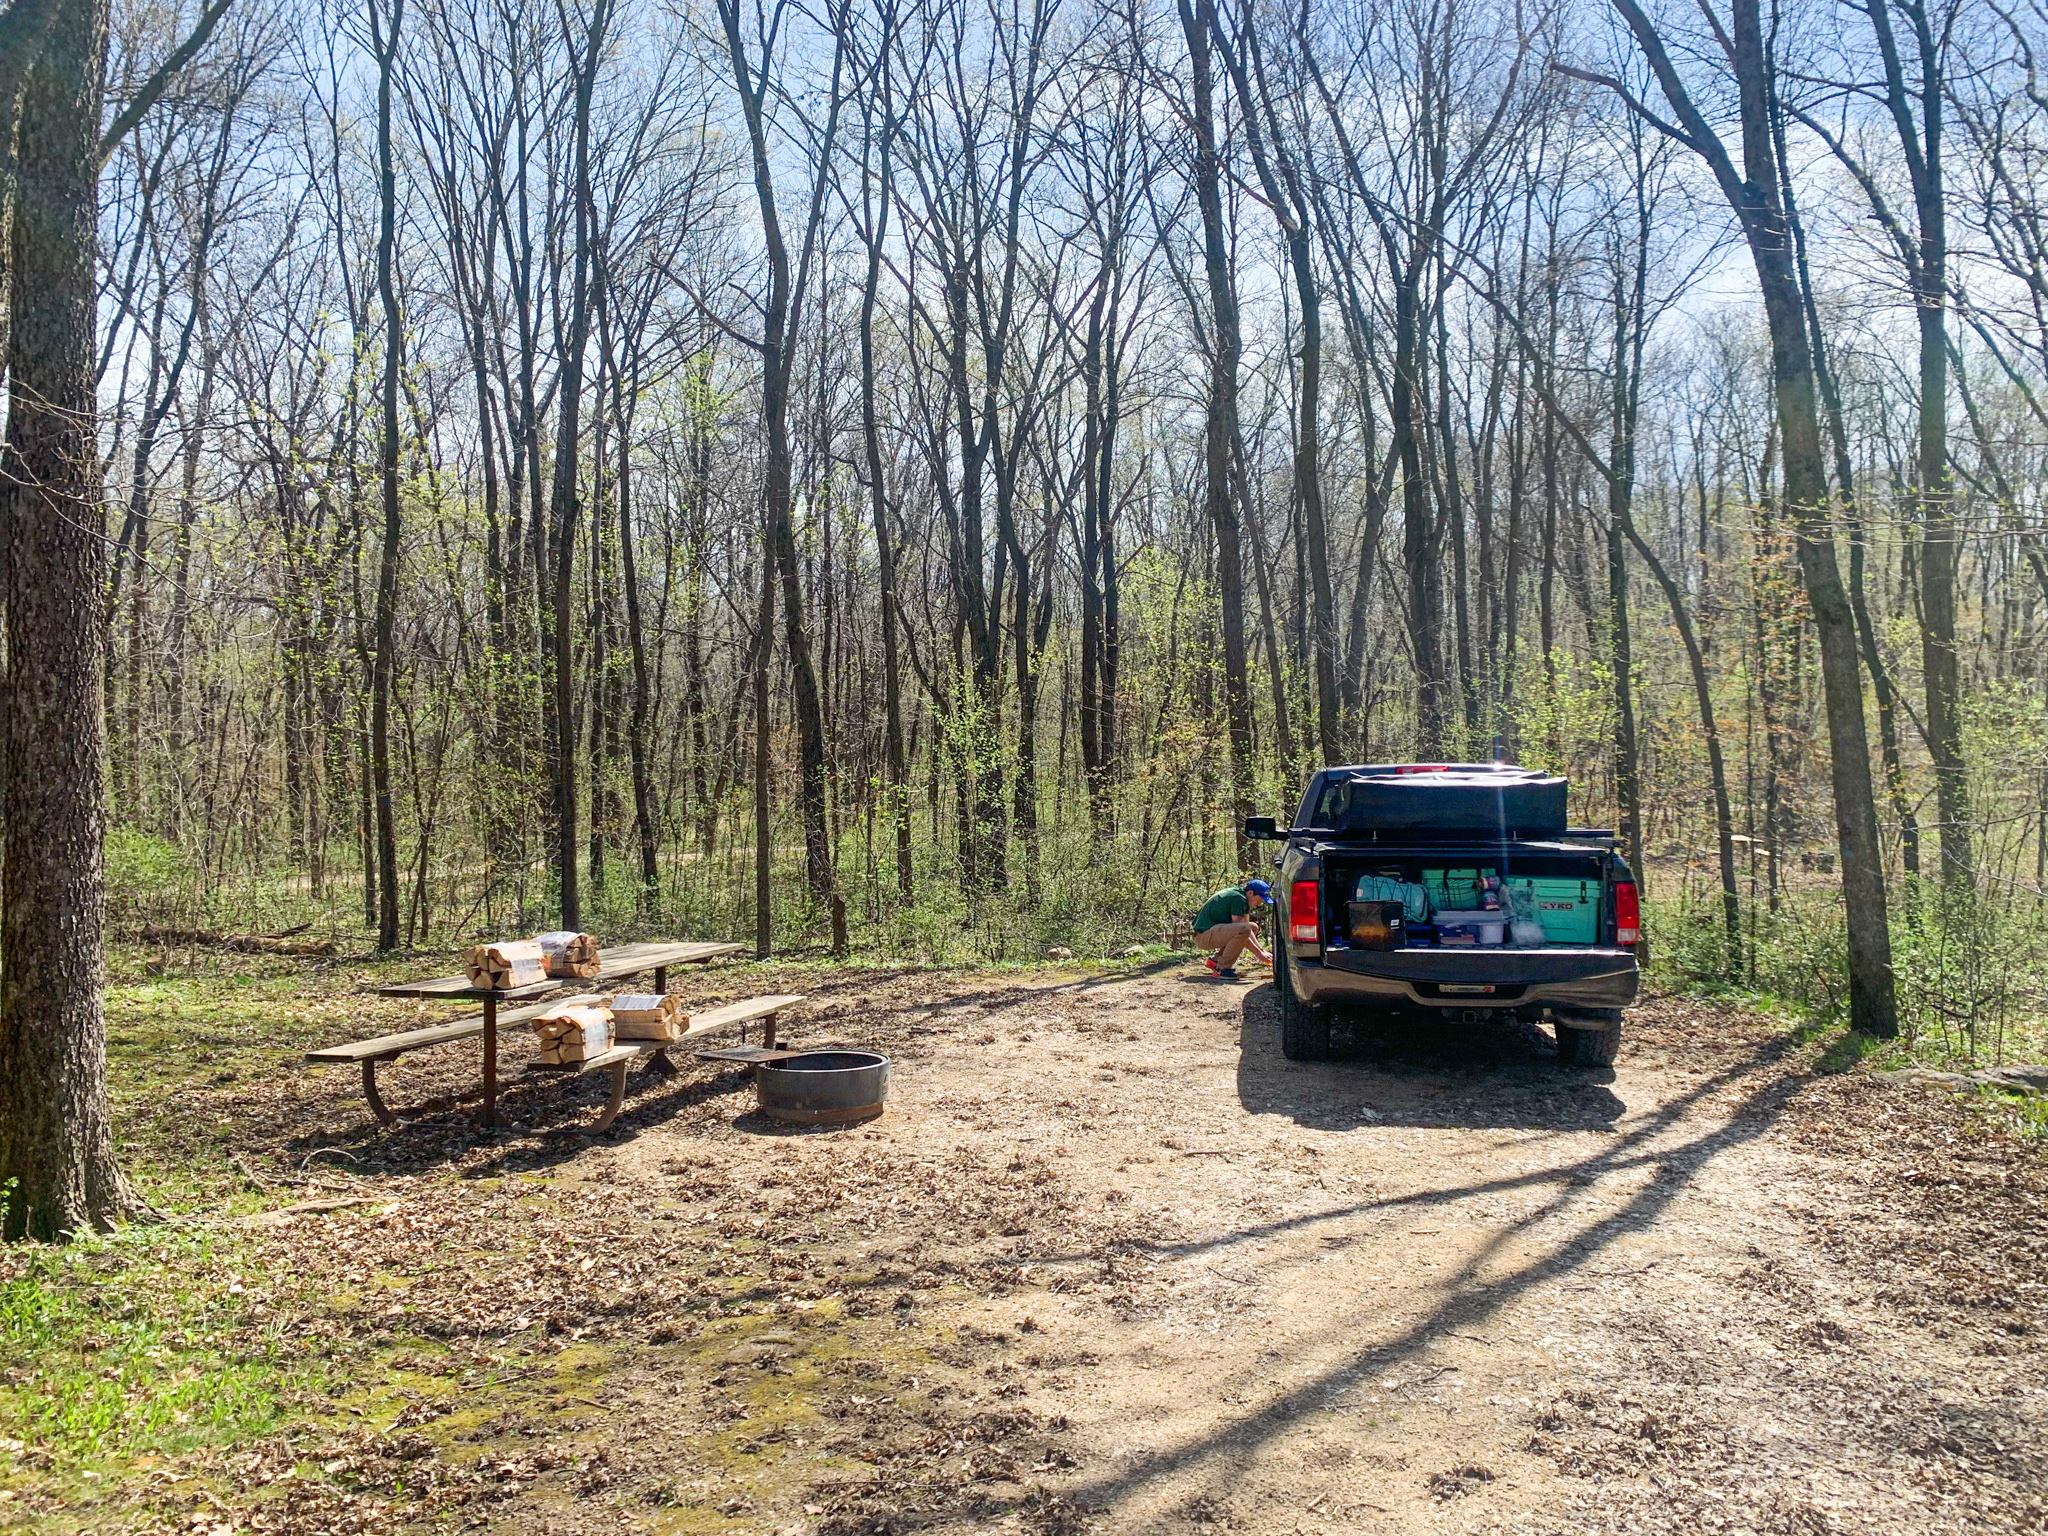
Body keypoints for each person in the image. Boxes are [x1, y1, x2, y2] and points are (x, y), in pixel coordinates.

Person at [1192, 878, 1274, 980]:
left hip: (1210, 932)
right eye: (1260, 898)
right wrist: (1259, 954)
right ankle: (1223, 969)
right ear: (1251, 893)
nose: (1260, 902)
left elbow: (1246, 926)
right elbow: (1242, 930)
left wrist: (1262, 950)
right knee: (1244, 930)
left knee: (1252, 928)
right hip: (1202, 936)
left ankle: (1216, 960)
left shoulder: (1243, 898)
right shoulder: (1238, 899)